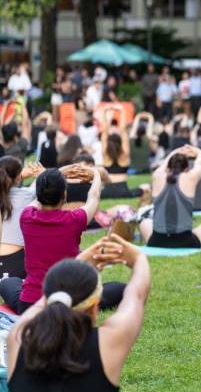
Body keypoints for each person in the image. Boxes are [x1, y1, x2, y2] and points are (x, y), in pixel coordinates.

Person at [6, 234, 186, 392]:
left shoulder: (18, 337)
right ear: (95, 307)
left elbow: (45, 301)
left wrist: (78, 263)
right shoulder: (108, 342)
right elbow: (136, 295)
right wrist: (138, 258)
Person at [0, 167, 126, 314]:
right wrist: (96, 175)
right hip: (70, 302)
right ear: (64, 195)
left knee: (8, 283)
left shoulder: (27, 217)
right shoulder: (76, 219)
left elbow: (38, 199)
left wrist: (57, 173)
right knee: (120, 288)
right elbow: (94, 196)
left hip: (30, 305)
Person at [138, 146, 201, 249]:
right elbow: (200, 162)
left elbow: (163, 164)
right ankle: (194, 234)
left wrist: (176, 151)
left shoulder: (157, 176)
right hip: (185, 242)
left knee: (145, 222)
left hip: (156, 241)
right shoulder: (191, 177)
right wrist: (197, 151)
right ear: (187, 169)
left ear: (168, 168)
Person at [0, 158, 44, 279]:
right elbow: (42, 183)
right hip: (18, 264)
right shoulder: (26, 196)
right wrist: (41, 174)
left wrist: (21, 175)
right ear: (18, 178)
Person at [100, 110, 144, 199]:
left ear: (108, 143)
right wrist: (121, 111)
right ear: (120, 143)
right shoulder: (124, 155)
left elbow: (104, 132)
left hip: (106, 192)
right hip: (123, 191)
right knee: (145, 187)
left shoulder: (105, 155)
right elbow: (123, 130)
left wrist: (104, 112)